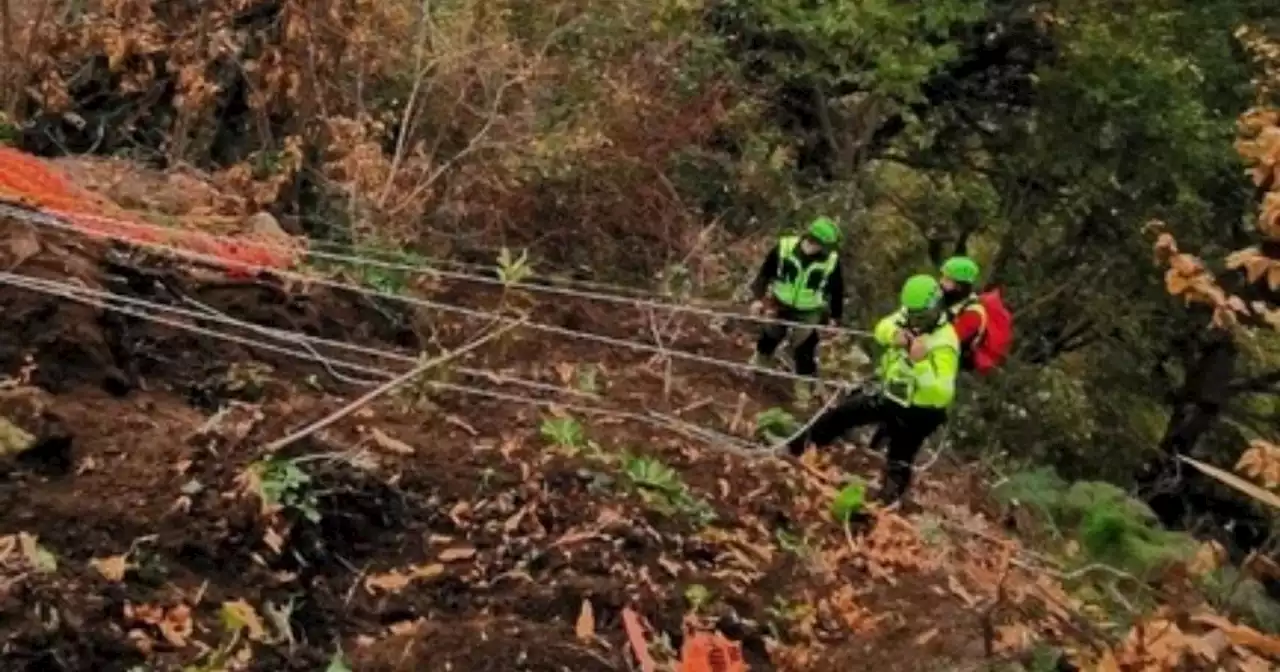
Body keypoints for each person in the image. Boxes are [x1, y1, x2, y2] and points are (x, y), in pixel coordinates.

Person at [786, 274, 960, 505]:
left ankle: (887, 505)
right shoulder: (907, 316)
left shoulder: (945, 343)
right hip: (892, 393)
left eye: (920, 316)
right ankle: (796, 448)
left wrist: (921, 364)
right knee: (842, 414)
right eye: (911, 314)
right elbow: (881, 328)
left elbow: (941, 392)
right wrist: (894, 336)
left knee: (900, 455)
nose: (914, 321)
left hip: (921, 411)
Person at [747, 216, 846, 406]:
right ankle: (758, 367)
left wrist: (835, 317)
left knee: (805, 346)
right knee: (770, 334)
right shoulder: (784, 248)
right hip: (780, 300)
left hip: (809, 308)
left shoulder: (831, 261)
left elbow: (837, 290)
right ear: (810, 239)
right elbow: (765, 273)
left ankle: (802, 390)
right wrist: (758, 299)